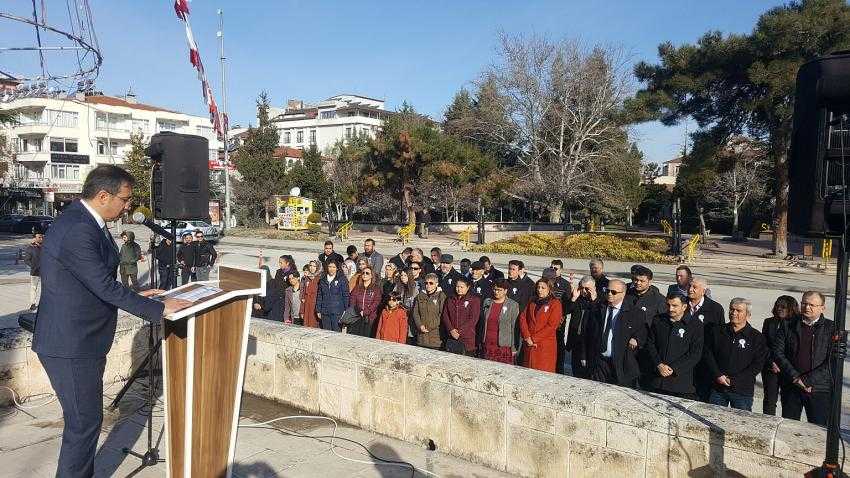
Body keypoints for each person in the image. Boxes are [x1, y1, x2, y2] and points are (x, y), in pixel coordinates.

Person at [32, 165, 190, 478]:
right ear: (103, 196)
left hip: (84, 340)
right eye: (125, 199)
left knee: (85, 422)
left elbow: (96, 279)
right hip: (71, 344)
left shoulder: (88, 220)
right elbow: (103, 287)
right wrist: (159, 310)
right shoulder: (78, 228)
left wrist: (143, 292)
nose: (128, 205)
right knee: (84, 424)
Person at [773, 291, 836, 425]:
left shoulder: (832, 328)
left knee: (818, 431)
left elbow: (832, 361)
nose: (807, 307)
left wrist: (807, 381)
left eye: (812, 305)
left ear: (822, 308)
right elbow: (778, 353)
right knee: (789, 427)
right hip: (791, 386)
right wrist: (796, 378)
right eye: (804, 303)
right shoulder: (788, 324)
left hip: (818, 389)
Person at [702, 298, 768, 411]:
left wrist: (734, 380)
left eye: (738, 310)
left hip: (742, 392)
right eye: (732, 309)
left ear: (748, 314)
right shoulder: (717, 331)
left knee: (741, 425)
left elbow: (757, 365)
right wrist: (717, 375)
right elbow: (708, 354)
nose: (733, 313)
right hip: (718, 388)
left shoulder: (756, 337)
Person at [584, 279, 646, 388]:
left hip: (622, 364)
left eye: (613, 292)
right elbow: (588, 333)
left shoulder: (635, 313)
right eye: (607, 291)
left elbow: (643, 332)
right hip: (600, 363)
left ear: (623, 294)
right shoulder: (598, 308)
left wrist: (636, 338)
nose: (609, 294)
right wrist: (584, 356)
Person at [645, 293, 704, 400]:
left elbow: (695, 353)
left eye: (674, 306)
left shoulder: (695, 325)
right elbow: (650, 344)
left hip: (680, 384)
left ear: (684, 306)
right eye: (668, 305)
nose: (670, 309)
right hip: (657, 380)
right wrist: (658, 364)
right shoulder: (658, 320)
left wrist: (674, 368)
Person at [761, 295, 799, 416]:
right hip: (771, 367)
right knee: (769, 400)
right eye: (778, 306)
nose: (779, 309)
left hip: (788, 368)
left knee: (788, 402)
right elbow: (764, 345)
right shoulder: (769, 322)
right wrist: (771, 361)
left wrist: (784, 364)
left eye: (784, 307)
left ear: (791, 309)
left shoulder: (796, 324)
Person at [688, 276, 725, 402]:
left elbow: (720, 336)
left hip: (704, 361)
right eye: (689, 286)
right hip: (683, 359)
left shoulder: (715, 309)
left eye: (694, 287)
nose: (690, 289)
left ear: (703, 291)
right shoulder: (681, 304)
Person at [519, 279, 563, 372]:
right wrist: (527, 337)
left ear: (549, 289)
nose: (539, 290)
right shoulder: (532, 301)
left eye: (543, 288)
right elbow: (523, 317)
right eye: (538, 287)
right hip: (529, 344)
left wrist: (534, 339)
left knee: (543, 375)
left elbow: (551, 326)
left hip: (544, 346)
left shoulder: (555, 304)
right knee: (527, 372)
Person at [563, 276, 599, 378]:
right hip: (576, 340)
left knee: (588, 373)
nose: (584, 291)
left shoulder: (598, 301)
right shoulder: (578, 299)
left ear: (594, 288)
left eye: (587, 289)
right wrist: (573, 298)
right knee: (576, 371)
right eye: (581, 287)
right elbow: (565, 311)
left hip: (589, 342)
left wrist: (594, 301)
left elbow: (599, 316)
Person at [479, 279, 520, 364]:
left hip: (503, 346)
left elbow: (514, 328)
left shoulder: (513, 305)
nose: (496, 292)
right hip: (487, 344)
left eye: (499, 290)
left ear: (505, 291)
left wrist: (514, 348)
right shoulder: (487, 302)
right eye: (495, 289)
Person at [441, 277, 481, 356]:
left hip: (467, 338)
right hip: (452, 337)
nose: (459, 289)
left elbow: (473, 319)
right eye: (457, 287)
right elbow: (445, 315)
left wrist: (459, 331)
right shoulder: (450, 299)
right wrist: (451, 330)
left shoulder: (474, 300)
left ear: (468, 287)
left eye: (461, 287)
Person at [412, 273, 446, 349]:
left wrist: (429, 327)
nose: (428, 285)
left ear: (436, 284)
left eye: (431, 283)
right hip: (421, 335)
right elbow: (416, 313)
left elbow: (442, 314)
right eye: (426, 283)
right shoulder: (420, 296)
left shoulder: (441, 296)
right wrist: (420, 325)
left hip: (435, 336)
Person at [347, 265, 382, 337]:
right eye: (363, 273)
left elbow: (376, 302)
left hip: (369, 318)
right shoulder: (357, 288)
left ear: (371, 276)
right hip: (357, 317)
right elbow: (352, 301)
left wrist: (366, 312)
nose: (364, 275)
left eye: (367, 273)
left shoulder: (376, 289)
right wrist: (357, 311)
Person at [316, 260, 350, 332]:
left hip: (337, 312)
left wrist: (345, 311)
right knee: (326, 333)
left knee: (336, 334)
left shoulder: (342, 279)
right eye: (330, 267)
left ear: (337, 268)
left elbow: (346, 296)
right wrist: (318, 310)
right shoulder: (322, 280)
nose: (331, 269)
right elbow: (319, 296)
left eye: (334, 267)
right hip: (325, 312)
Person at [24, 231, 44, 310]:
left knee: (45, 288)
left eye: (42, 237)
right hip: (35, 271)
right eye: (39, 237)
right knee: (33, 288)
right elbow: (26, 260)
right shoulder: (30, 248)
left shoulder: (45, 247)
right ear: (35, 238)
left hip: (44, 271)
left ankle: (45, 303)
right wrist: (33, 266)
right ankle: (33, 303)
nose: (41, 239)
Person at [300, 263, 321, 328]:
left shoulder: (320, 279)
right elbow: (303, 296)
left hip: (315, 307)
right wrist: (302, 310)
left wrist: (319, 310)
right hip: (307, 306)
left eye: (314, 266)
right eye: (311, 266)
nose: (312, 267)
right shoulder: (306, 278)